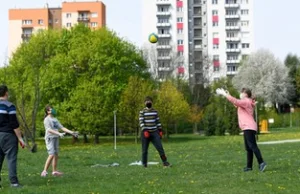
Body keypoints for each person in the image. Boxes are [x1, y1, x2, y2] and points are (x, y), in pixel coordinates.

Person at [216, 88, 267, 172]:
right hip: (248, 127)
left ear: (246, 94)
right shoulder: (247, 102)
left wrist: (225, 95)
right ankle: (249, 167)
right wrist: (228, 94)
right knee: (248, 148)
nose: (240, 94)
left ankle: (261, 162)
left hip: (248, 127)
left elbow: (236, 101)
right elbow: (236, 104)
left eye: (242, 92)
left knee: (252, 146)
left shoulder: (246, 101)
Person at [41, 105, 78, 177]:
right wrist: (58, 133)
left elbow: (62, 127)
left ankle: (54, 171)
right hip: (50, 138)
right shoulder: (47, 119)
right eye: (51, 109)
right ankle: (44, 171)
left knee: (56, 155)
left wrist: (72, 132)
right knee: (51, 154)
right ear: (48, 112)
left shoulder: (55, 119)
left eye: (53, 109)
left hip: (56, 138)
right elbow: (48, 130)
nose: (53, 110)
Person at [0, 85, 24, 188]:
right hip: (8, 136)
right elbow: (14, 124)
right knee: (11, 159)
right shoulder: (10, 106)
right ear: (6, 93)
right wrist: (20, 138)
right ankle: (14, 182)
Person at [139, 96, 171, 167]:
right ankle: (144, 164)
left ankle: (165, 162)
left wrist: (160, 130)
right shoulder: (142, 112)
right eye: (146, 101)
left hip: (154, 132)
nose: (148, 102)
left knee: (160, 148)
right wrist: (145, 130)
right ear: (144, 103)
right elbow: (141, 122)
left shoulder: (155, 111)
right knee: (144, 150)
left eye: (149, 101)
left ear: (152, 102)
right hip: (145, 133)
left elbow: (158, 121)